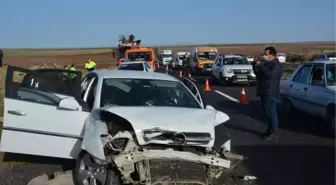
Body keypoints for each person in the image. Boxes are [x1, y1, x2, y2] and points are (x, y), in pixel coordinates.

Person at [252, 46, 283, 140]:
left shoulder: (276, 65)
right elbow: (258, 73)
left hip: (270, 91)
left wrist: (261, 65)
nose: (265, 56)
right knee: (267, 112)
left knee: (271, 112)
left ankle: (274, 132)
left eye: (266, 54)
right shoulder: (267, 64)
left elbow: (270, 75)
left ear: (272, 55)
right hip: (264, 90)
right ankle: (270, 130)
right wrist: (255, 64)